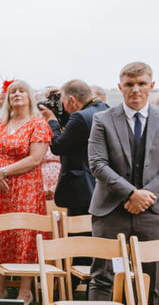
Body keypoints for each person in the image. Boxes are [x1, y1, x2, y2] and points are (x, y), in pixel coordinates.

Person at [85, 62, 159, 305]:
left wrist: (146, 196)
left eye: (141, 83)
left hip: (152, 211)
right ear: (120, 87)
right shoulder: (103, 119)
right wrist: (130, 193)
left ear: (151, 84)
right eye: (129, 84)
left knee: (149, 275)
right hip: (111, 207)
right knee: (102, 272)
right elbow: (97, 163)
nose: (135, 89)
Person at [0, 80, 52, 305]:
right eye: (12, 92)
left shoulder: (38, 124)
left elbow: (35, 158)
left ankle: (25, 290)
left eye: (21, 91)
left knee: (24, 234)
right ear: (7, 98)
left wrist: (3, 171)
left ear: (30, 96)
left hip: (25, 187)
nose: (17, 94)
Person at [39, 79, 108, 217]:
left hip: (81, 190)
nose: (63, 107)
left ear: (72, 100)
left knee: (79, 236)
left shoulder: (80, 117)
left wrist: (51, 119)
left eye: (64, 102)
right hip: (101, 185)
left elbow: (58, 146)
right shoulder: (104, 108)